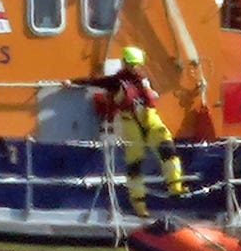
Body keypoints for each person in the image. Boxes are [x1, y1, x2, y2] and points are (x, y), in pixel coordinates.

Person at [70, 45, 184, 217]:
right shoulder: (117, 81)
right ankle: (139, 206)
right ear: (125, 63)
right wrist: (72, 82)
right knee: (135, 164)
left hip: (150, 119)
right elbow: (95, 81)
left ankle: (175, 187)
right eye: (131, 64)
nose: (134, 67)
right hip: (130, 122)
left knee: (167, 149)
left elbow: (151, 98)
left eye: (137, 64)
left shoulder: (144, 80)